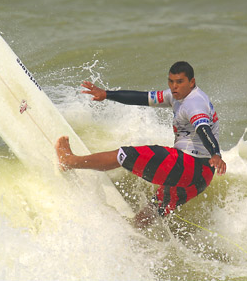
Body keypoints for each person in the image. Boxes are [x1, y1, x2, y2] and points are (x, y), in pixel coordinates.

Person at [55, 61, 226, 228]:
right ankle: (135, 233)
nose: (174, 86)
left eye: (180, 82)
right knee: (156, 206)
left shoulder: (194, 103)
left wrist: (215, 154)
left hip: (189, 163)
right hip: (203, 176)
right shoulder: (176, 96)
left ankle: (69, 161)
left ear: (192, 82)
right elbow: (143, 98)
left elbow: (203, 129)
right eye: (171, 81)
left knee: (123, 155)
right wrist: (107, 94)